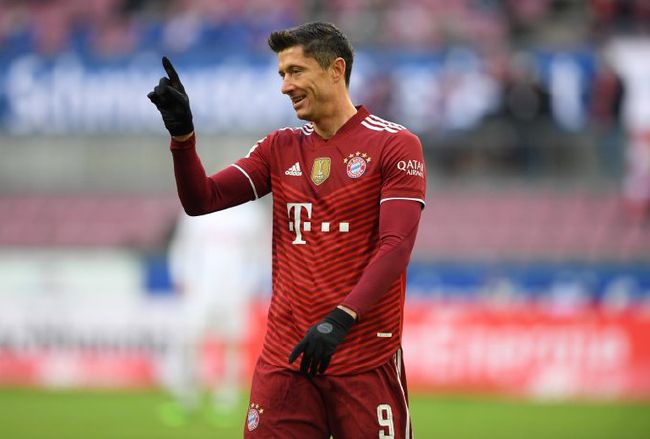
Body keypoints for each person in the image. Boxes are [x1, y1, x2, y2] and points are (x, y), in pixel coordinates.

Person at [148, 22, 426, 438]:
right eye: (281, 74)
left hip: (363, 357)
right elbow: (201, 199)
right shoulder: (279, 148)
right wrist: (183, 136)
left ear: (335, 69)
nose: (285, 86)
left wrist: (341, 318)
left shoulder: (395, 145)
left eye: (295, 72)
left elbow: (396, 245)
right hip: (286, 360)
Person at [159, 202, 269, 426]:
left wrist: (251, 284)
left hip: (235, 291)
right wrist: (182, 277)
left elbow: (261, 251)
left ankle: (226, 400)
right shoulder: (197, 207)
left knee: (232, 344)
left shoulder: (251, 213)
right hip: (199, 290)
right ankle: (187, 399)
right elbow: (181, 246)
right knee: (190, 341)